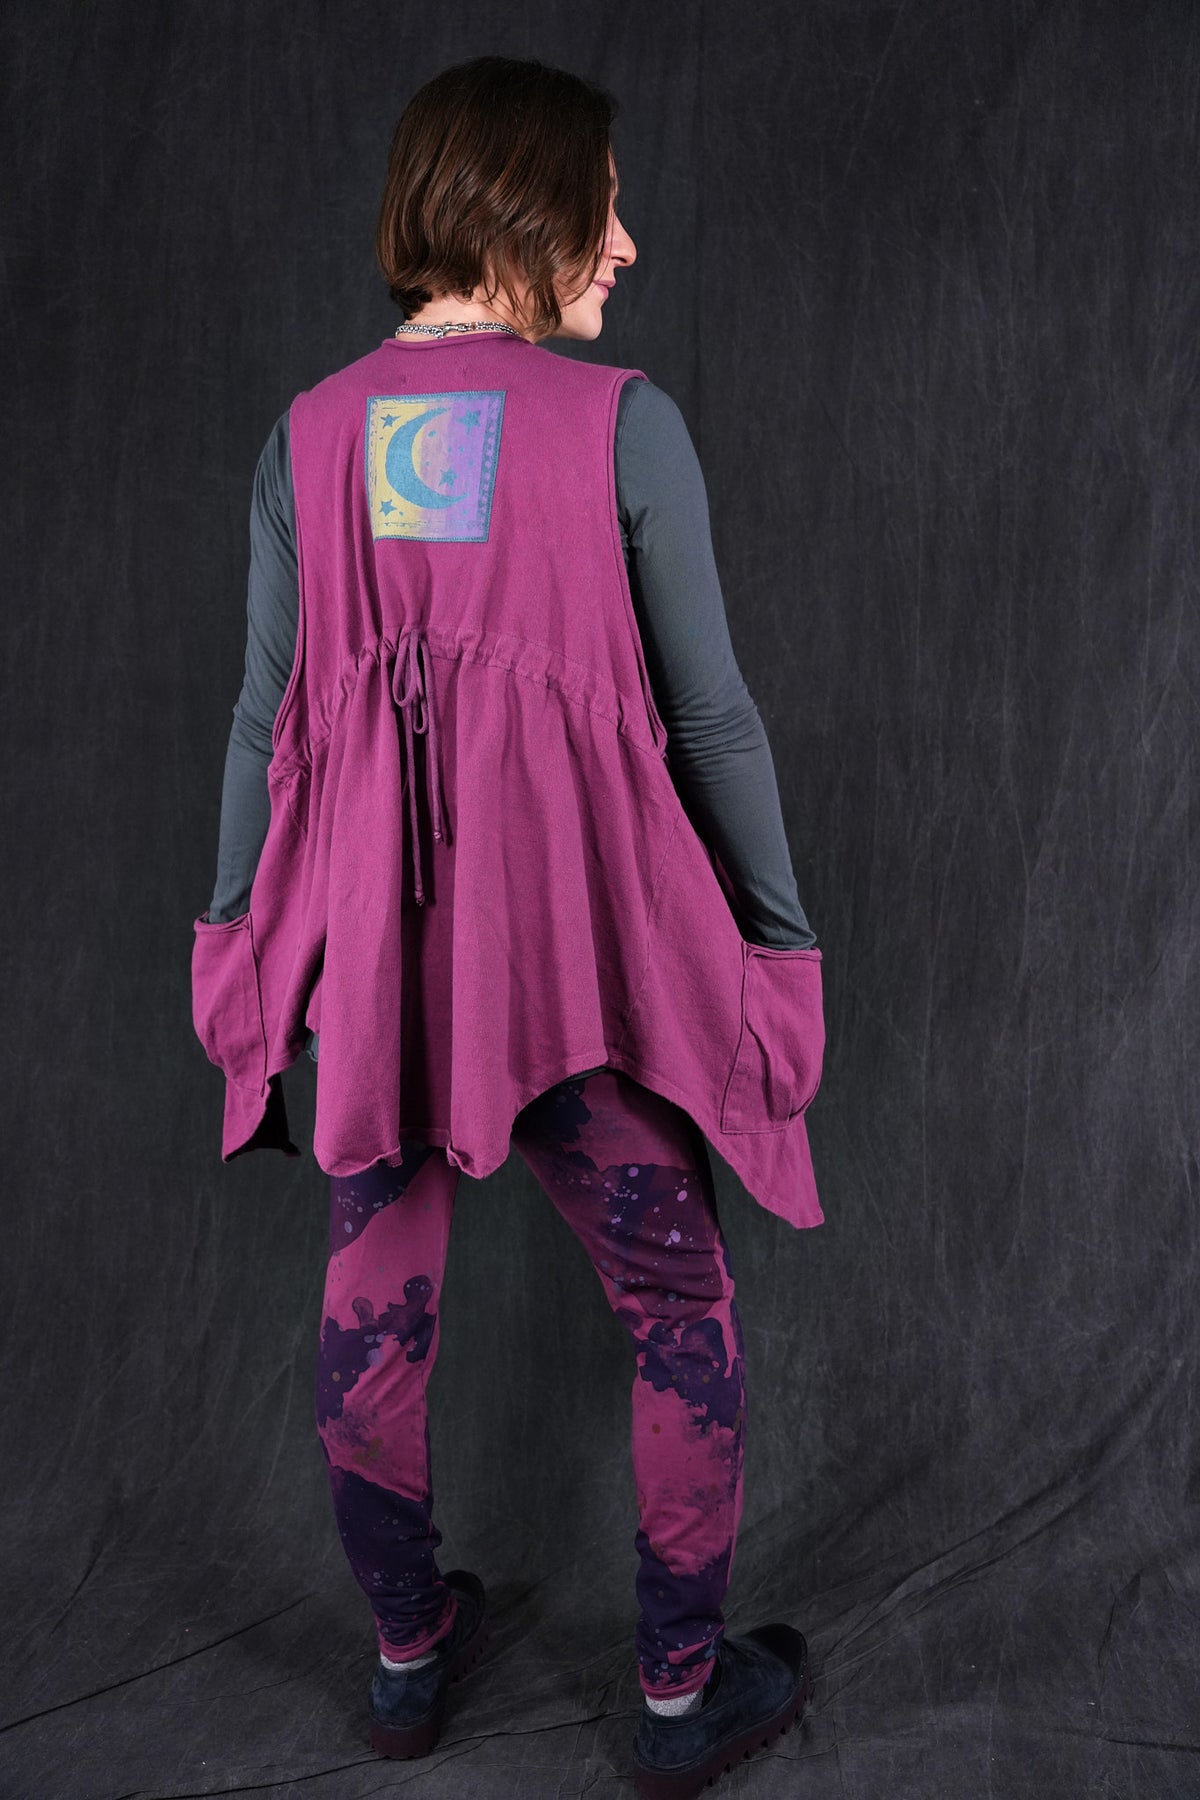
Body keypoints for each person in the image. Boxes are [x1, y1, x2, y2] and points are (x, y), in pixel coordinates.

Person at [193, 54, 825, 1799]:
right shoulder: (623, 424)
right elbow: (712, 722)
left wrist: (238, 939)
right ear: (522, 208)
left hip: (380, 987)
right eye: (601, 206)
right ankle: (681, 1694)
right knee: (678, 1300)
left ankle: (407, 1659)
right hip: (569, 980)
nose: (625, 244)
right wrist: (779, 943)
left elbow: (262, 724)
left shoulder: (306, 438)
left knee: (372, 1302)